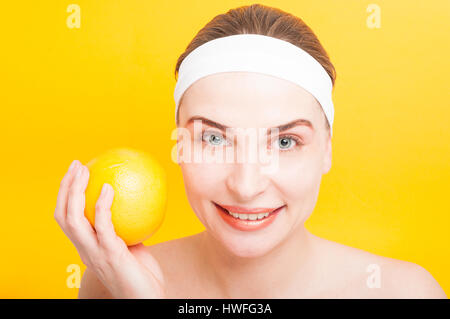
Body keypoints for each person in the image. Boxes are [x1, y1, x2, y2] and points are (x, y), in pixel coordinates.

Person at [54, 4, 446, 298]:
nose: (245, 185)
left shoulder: (403, 292)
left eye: (284, 141)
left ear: (327, 149)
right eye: (213, 139)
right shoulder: (114, 282)